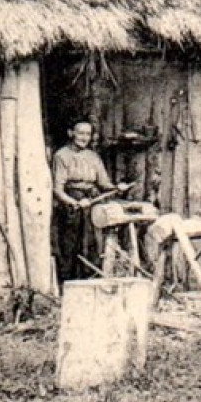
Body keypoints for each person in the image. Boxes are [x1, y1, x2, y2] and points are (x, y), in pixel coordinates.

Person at [51, 120, 131, 283]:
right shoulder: (61, 155)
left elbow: (104, 183)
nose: (84, 137)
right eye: (80, 133)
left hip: (93, 200)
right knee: (70, 243)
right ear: (71, 133)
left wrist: (117, 187)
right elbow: (57, 189)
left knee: (92, 242)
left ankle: (90, 280)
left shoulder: (93, 157)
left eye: (88, 134)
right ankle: (68, 282)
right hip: (72, 203)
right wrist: (73, 202)